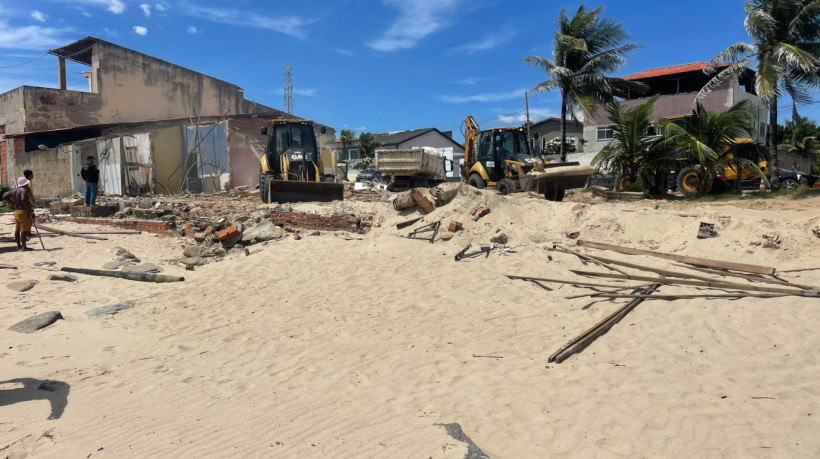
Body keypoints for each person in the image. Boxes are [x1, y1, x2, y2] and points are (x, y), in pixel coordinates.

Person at [3, 177, 35, 251]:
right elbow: (23, 199)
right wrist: (30, 210)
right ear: (25, 184)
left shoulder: (15, 191)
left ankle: (19, 245)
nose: (27, 185)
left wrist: (13, 203)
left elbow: (5, 197)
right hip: (23, 211)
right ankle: (24, 247)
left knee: (17, 229)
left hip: (17, 211)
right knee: (23, 229)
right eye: (27, 184)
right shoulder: (23, 190)